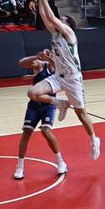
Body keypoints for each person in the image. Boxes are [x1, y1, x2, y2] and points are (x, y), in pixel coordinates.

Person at [32, 0, 101, 161]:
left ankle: (94, 140)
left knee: (81, 114)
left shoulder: (69, 34)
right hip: (58, 76)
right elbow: (45, 17)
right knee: (33, 93)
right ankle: (61, 103)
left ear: (68, 25)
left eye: (63, 20)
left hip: (73, 78)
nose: (60, 21)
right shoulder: (56, 35)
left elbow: (52, 18)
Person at [12, 50, 66, 181]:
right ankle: (20, 166)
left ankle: (61, 162)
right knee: (26, 133)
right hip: (34, 105)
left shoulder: (60, 70)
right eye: (50, 53)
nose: (50, 55)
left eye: (53, 54)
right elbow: (21, 63)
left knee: (46, 131)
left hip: (49, 105)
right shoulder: (40, 65)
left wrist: (51, 59)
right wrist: (37, 57)